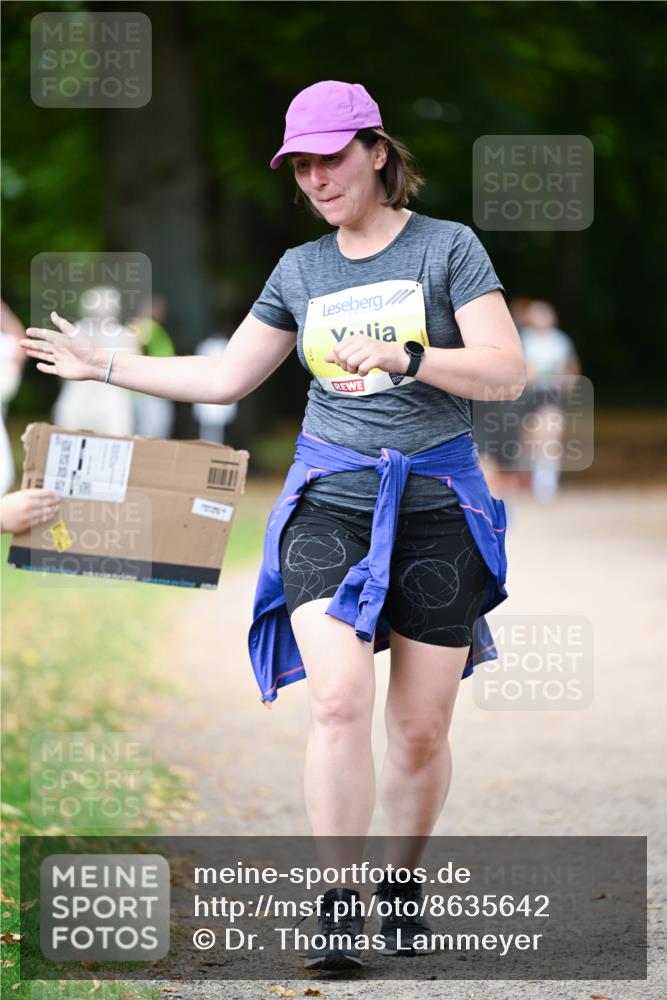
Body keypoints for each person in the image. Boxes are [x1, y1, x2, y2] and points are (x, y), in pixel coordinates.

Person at [20, 80, 526, 973]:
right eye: (301, 162)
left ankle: (401, 884)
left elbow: (504, 373)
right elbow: (225, 381)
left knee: (418, 728)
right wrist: (103, 364)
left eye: (332, 155)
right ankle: (337, 908)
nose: (317, 175)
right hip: (329, 498)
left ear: (375, 151)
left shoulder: (449, 248)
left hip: (438, 507)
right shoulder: (300, 270)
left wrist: (409, 357)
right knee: (336, 700)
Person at [520, 300, 580, 503]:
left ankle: (546, 480)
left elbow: (571, 369)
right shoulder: (524, 339)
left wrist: (566, 381)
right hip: (527, 394)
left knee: (550, 432)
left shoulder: (560, 341)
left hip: (551, 394)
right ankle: (529, 475)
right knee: (530, 437)